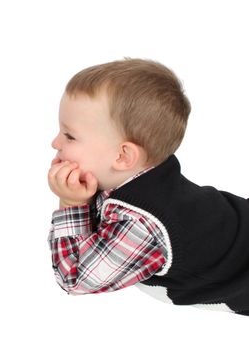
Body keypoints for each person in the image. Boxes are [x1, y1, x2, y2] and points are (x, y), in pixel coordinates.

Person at [47, 58, 249, 315]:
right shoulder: (145, 172)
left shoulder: (141, 225)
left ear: (123, 157)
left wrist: (72, 205)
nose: (55, 142)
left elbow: (76, 278)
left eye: (69, 136)